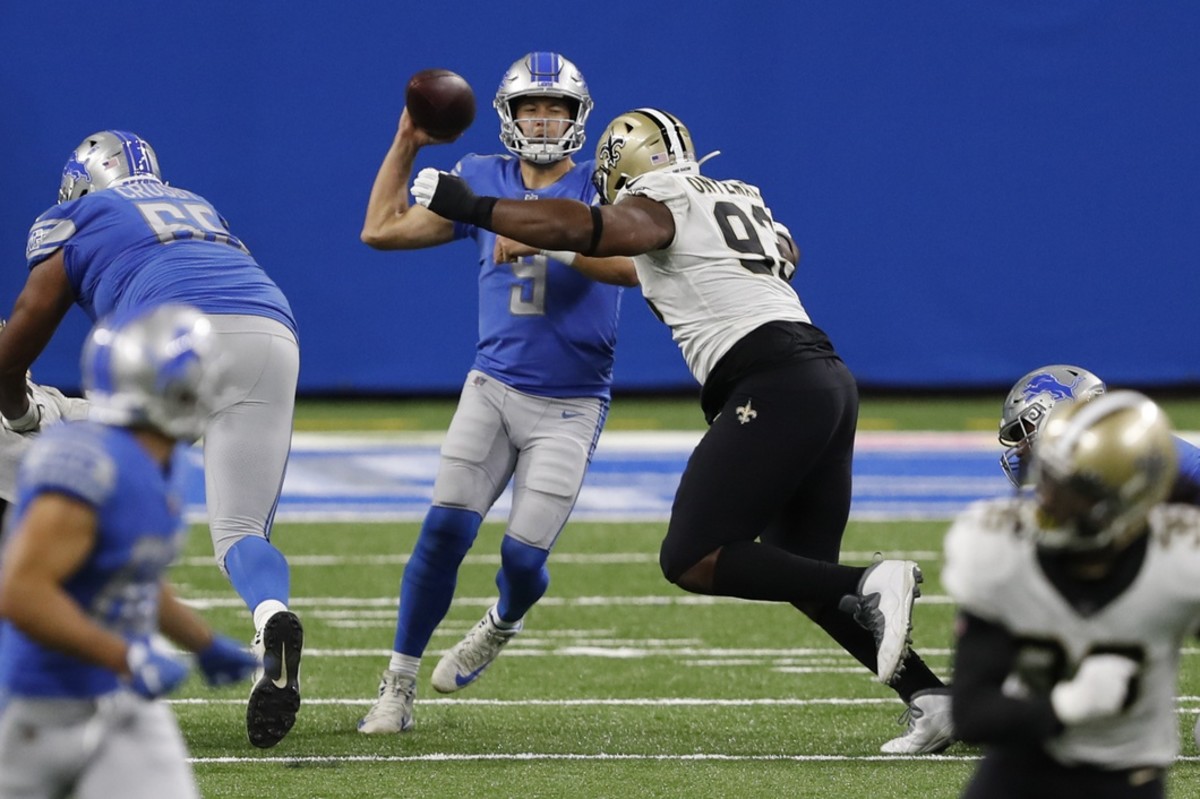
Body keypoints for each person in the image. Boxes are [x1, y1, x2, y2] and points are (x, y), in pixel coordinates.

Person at [407, 106, 952, 751]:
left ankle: (871, 582)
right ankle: (931, 697)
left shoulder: (660, 196)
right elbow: (770, 251)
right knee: (798, 571)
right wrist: (554, 240)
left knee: (692, 557)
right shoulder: (736, 194)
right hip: (825, 379)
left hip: (769, 380)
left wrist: (475, 206)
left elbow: (595, 227)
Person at [356, 52, 637, 734]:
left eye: (557, 109)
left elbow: (634, 266)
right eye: (533, 108)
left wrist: (549, 238)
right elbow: (381, 229)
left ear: (578, 117)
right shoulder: (483, 176)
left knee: (522, 556)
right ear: (511, 117)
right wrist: (406, 143)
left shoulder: (607, 184)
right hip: (494, 383)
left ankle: (504, 618)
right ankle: (397, 683)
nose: (545, 121)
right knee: (445, 526)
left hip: (571, 400)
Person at [0, 131, 303, 749]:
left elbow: (29, 323)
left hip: (171, 333)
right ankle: (270, 615)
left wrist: (15, 403)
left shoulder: (77, 214)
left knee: (77, 466)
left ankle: (89, 647)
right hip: (270, 327)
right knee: (241, 528)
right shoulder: (198, 205)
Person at [0, 304, 259, 799]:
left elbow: (129, 571)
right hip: (42, 707)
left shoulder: (157, 462)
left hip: (121, 700)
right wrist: (126, 655)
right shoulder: (88, 463)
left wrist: (201, 641)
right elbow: (21, 592)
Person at [945, 390, 1199, 798]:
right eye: (1046, 478)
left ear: (1126, 498)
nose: (1046, 500)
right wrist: (1066, 705)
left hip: (1127, 778)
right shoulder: (1001, 549)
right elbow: (972, 715)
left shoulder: (1180, 559)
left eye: (1071, 489)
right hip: (1016, 772)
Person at [998, 364, 1200, 502]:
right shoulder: (1093, 473)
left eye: (1024, 431)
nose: (1019, 449)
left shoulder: (1141, 456)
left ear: (1064, 417)